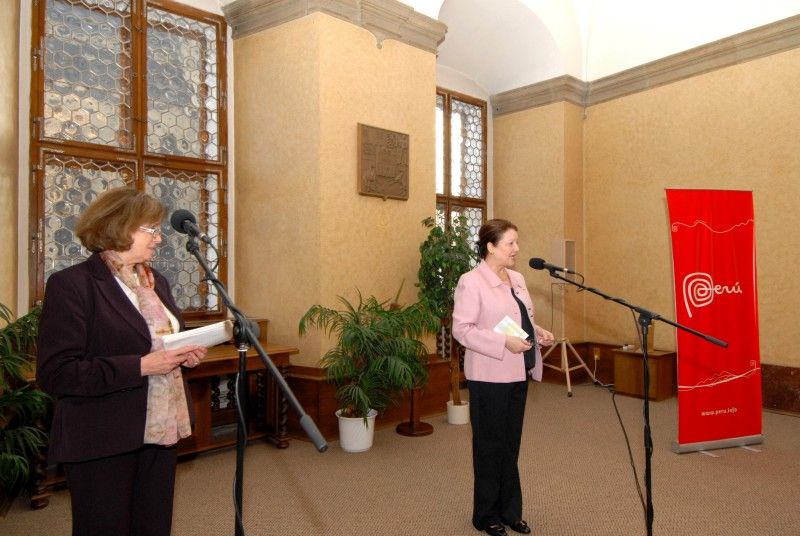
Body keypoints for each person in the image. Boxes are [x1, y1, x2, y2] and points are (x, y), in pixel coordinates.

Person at [36, 188, 208, 536]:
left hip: (160, 428)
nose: (159, 238)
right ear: (120, 226)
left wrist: (185, 354)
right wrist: (142, 366)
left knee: (153, 526)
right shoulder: (73, 285)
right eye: (152, 229)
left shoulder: (155, 281)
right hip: (102, 434)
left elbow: (162, 341)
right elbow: (57, 373)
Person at [452, 218, 555, 536]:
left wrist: (538, 331)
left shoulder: (517, 278)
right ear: (491, 247)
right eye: (510, 243)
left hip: (517, 372)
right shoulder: (471, 282)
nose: (517, 249)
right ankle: (485, 515)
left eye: (516, 242)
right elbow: (462, 329)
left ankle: (511, 511)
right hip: (488, 376)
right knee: (489, 446)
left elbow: (517, 318)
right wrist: (502, 342)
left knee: (510, 445)